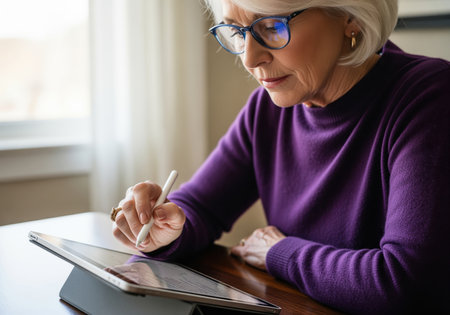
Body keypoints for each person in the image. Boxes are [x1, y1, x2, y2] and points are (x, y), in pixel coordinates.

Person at [111, 0, 450, 313]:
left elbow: (405, 283)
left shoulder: (429, 97)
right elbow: (202, 206)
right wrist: (164, 225)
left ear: (350, 16)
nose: (248, 58)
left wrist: (278, 252)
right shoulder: (268, 109)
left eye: (272, 26)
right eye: (237, 32)